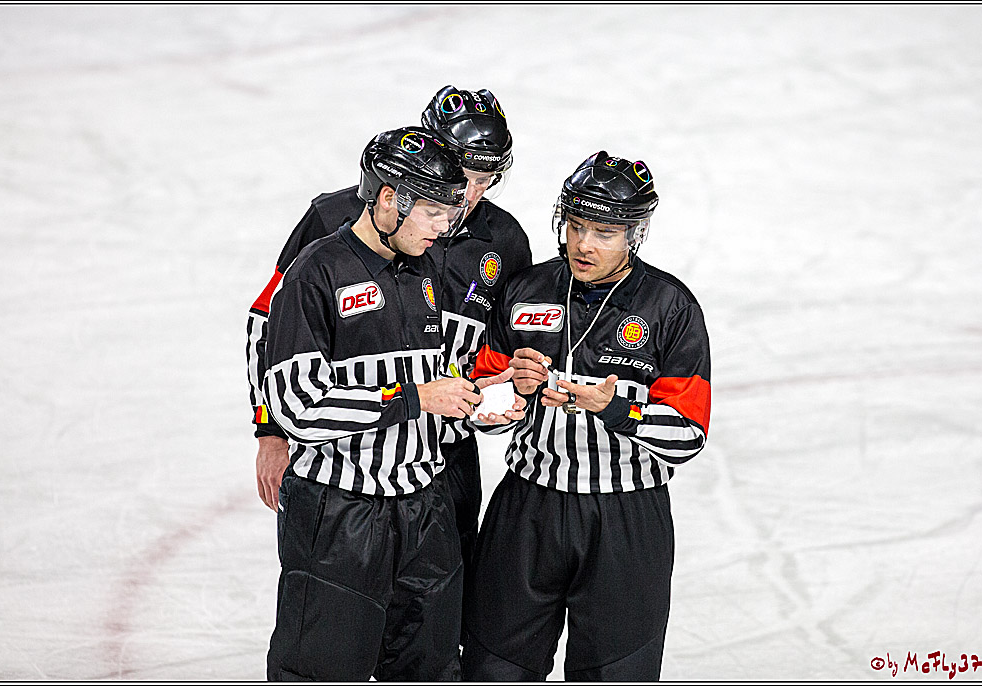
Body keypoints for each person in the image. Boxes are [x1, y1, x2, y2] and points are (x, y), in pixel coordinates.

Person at [246, 86, 531, 594]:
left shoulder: (505, 241)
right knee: (339, 616)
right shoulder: (337, 219)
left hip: (443, 463)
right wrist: (270, 433)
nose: (468, 196)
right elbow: (268, 328)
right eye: (462, 175)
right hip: (341, 465)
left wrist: (491, 401)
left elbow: (497, 356)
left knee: (435, 625)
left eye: (486, 180)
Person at [464, 151, 712, 681]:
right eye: (576, 226)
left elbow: (688, 434)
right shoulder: (524, 290)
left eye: (603, 231)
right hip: (528, 509)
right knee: (494, 668)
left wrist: (617, 408)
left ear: (634, 236)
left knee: (615, 673)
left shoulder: (670, 307)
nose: (583, 244)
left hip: (626, 521)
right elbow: (476, 407)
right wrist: (513, 388)